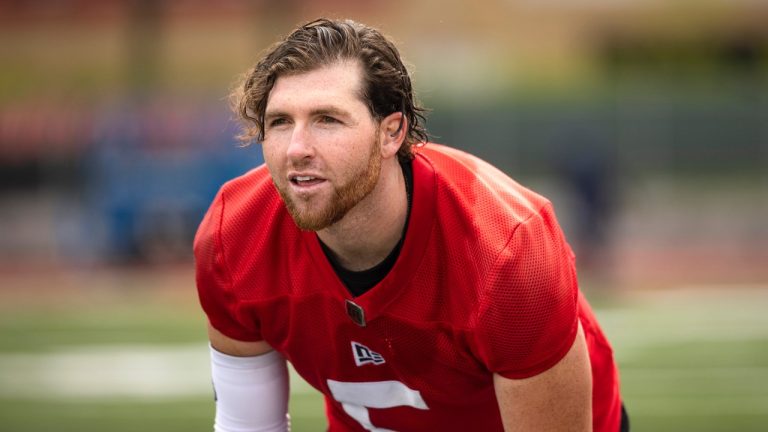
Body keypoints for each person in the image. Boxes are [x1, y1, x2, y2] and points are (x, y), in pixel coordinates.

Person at [194, 18, 627, 432]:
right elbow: (247, 426)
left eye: (327, 119)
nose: (296, 149)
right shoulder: (235, 236)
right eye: (280, 122)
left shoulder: (506, 250)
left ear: (392, 132)